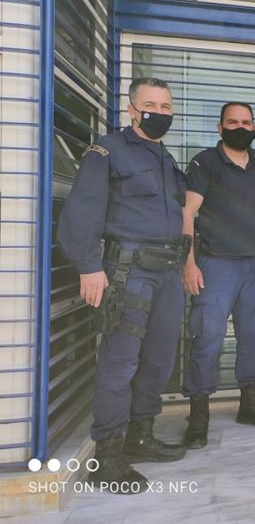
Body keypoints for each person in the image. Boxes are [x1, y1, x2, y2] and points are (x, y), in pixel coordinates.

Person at [57, 77, 188, 493]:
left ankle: (140, 436)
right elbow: (83, 210)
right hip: (128, 272)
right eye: (151, 105)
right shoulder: (108, 150)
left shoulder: (165, 157)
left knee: (160, 358)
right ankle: (108, 456)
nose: (159, 113)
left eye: (166, 107)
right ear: (131, 109)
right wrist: (89, 266)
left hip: (167, 272)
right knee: (120, 361)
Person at [181, 102, 255, 450]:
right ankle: (198, 414)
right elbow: (187, 212)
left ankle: (250, 404)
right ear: (220, 127)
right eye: (233, 122)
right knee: (207, 337)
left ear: (254, 127)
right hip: (215, 264)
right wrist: (188, 263)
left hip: (254, 265)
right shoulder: (205, 163)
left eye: (246, 122)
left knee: (253, 337)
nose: (240, 127)